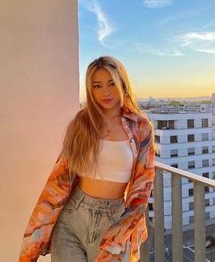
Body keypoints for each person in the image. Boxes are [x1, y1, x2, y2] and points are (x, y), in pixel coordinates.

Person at [19, 56, 155, 262]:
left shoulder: (141, 127)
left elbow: (143, 184)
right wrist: (34, 238)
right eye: (97, 85)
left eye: (111, 83)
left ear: (122, 84)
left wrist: (123, 228)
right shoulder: (82, 123)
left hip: (113, 221)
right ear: (90, 90)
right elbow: (60, 178)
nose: (105, 92)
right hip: (72, 217)